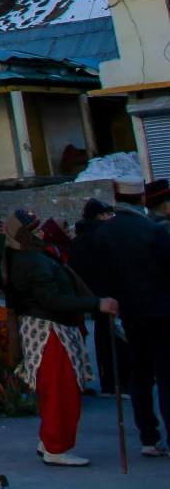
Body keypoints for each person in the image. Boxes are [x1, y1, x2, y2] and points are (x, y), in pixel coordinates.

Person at [4, 208, 117, 467]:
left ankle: (50, 441)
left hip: (51, 328)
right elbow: (52, 299)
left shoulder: (30, 256)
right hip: (49, 332)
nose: (43, 233)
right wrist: (96, 304)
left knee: (57, 390)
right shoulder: (30, 261)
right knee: (60, 392)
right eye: (36, 230)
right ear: (24, 235)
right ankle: (56, 446)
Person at [90, 181, 170, 458]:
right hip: (161, 312)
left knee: (141, 375)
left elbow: (98, 275)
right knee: (166, 375)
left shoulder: (104, 233)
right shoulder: (153, 230)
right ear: (141, 200)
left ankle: (149, 437)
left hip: (127, 314)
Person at [69, 198, 121, 396]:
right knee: (116, 340)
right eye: (108, 215)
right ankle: (118, 381)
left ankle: (108, 380)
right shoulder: (106, 235)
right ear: (99, 216)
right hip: (111, 294)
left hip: (92, 296)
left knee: (103, 338)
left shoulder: (78, 240)